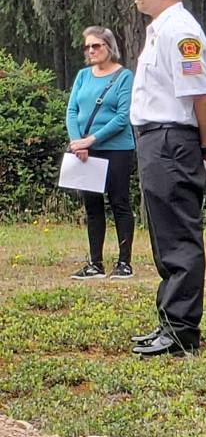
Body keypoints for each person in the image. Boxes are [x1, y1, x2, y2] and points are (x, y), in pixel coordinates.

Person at [128, 0, 206, 357]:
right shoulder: (160, 31)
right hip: (156, 139)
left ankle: (182, 331)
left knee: (179, 234)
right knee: (164, 234)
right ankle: (169, 319)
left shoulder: (181, 32)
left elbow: (202, 95)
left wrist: (205, 143)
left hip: (172, 139)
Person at [65, 26, 136, 280]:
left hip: (117, 149)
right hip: (85, 151)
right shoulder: (83, 76)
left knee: (119, 202)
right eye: (87, 46)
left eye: (96, 45)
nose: (91, 50)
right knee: (92, 205)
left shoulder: (123, 76)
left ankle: (124, 262)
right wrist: (77, 142)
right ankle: (95, 263)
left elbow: (121, 117)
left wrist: (91, 140)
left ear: (109, 47)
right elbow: (72, 110)